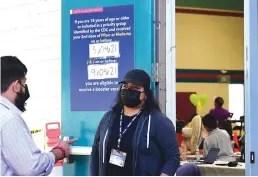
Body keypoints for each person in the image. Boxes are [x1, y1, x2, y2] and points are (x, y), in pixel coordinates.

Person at [90, 69, 180, 176]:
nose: (128, 90)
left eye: (135, 88)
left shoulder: (158, 121)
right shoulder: (108, 118)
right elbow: (96, 151)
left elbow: (173, 157)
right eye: (125, 86)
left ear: (145, 94)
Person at [0, 56, 77, 176]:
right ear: (16, 86)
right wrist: (59, 151)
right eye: (24, 83)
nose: (25, 88)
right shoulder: (10, 120)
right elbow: (31, 168)